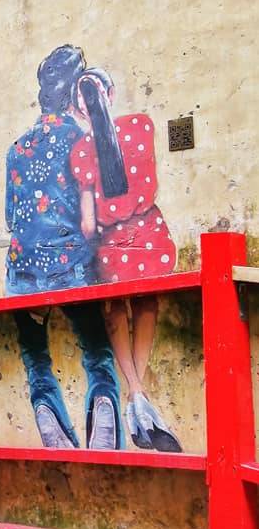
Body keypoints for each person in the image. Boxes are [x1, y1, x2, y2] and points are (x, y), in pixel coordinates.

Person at [5, 45, 123, 451]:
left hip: (21, 271)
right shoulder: (82, 138)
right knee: (96, 352)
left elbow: (11, 217)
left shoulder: (17, 147)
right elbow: (100, 210)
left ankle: (46, 410)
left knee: (36, 357)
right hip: (70, 265)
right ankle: (104, 415)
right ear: (77, 89)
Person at [70, 68, 181, 452]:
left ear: (78, 110)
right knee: (147, 303)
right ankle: (141, 400)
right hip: (151, 237)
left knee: (115, 310)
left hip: (112, 247)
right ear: (111, 94)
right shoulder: (141, 127)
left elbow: (88, 225)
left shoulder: (81, 151)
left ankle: (135, 396)